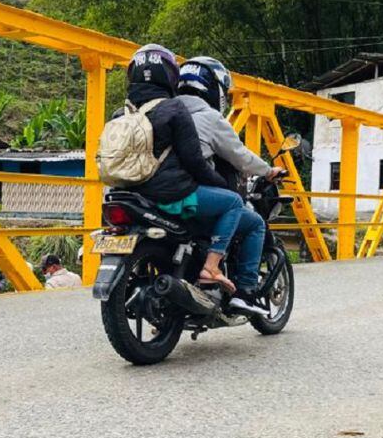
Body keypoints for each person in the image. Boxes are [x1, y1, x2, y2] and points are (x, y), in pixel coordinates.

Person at [115, 43, 240, 292]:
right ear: (170, 76)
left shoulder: (121, 114)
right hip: (169, 193)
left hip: (124, 192)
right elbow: (193, 161)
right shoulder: (175, 109)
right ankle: (211, 268)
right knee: (233, 202)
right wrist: (220, 183)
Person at [177, 56, 286, 309]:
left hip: (157, 193)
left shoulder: (164, 110)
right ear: (213, 88)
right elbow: (240, 155)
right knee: (253, 222)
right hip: (189, 195)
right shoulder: (209, 117)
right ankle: (244, 290)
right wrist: (268, 170)